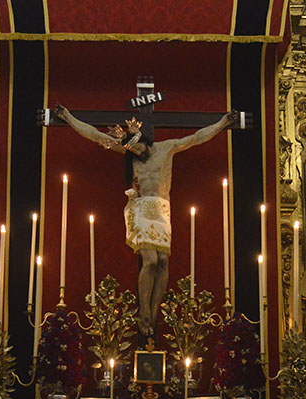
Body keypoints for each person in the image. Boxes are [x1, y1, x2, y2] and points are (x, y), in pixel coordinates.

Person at [54, 104, 237, 335]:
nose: (137, 153)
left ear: (144, 139)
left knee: (163, 262)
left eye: (138, 147)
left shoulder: (167, 148)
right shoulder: (129, 151)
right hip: (140, 208)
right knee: (150, 260)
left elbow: (197, 137)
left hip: (161, 209)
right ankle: (143, 313)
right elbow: (95, 135)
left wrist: (222, 123)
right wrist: (68, 117)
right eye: (132, 151)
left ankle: (153, 313)